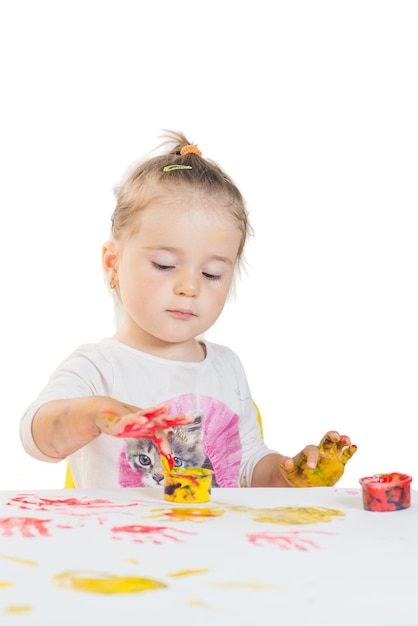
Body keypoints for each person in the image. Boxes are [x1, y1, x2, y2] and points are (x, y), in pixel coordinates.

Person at [20, 131, 357, 489]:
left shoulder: (226, 369)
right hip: (116, 543)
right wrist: (98, 413)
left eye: (212, 273)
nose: (190, 287)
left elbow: (245, 467)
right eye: (165, 265)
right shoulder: (97, 368)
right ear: (113, 264)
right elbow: (36, 438)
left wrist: (287, 475)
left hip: (210, 543)